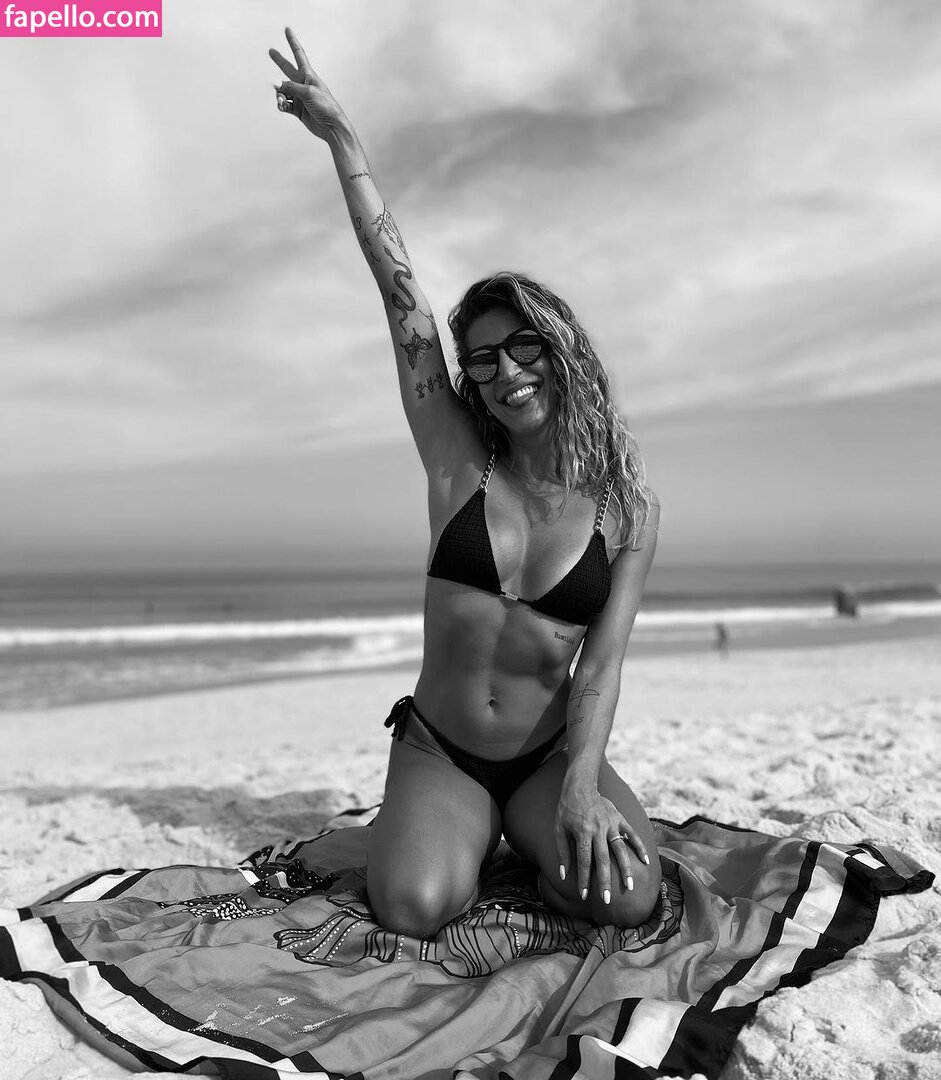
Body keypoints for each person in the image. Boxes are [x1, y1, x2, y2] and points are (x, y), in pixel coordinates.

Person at [270, 28, 662, 937]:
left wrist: (579, 788)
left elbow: (601, 665)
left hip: (548, 757)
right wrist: (344, 142)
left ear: (559, 352)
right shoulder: (457, 459)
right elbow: (399, 295)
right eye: (481, 359)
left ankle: (516, 830)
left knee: (625, 900)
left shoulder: (628, 509)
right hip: (441, 751)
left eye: (521, 347)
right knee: (412, 908)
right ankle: (460, 832)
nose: (503, 372)